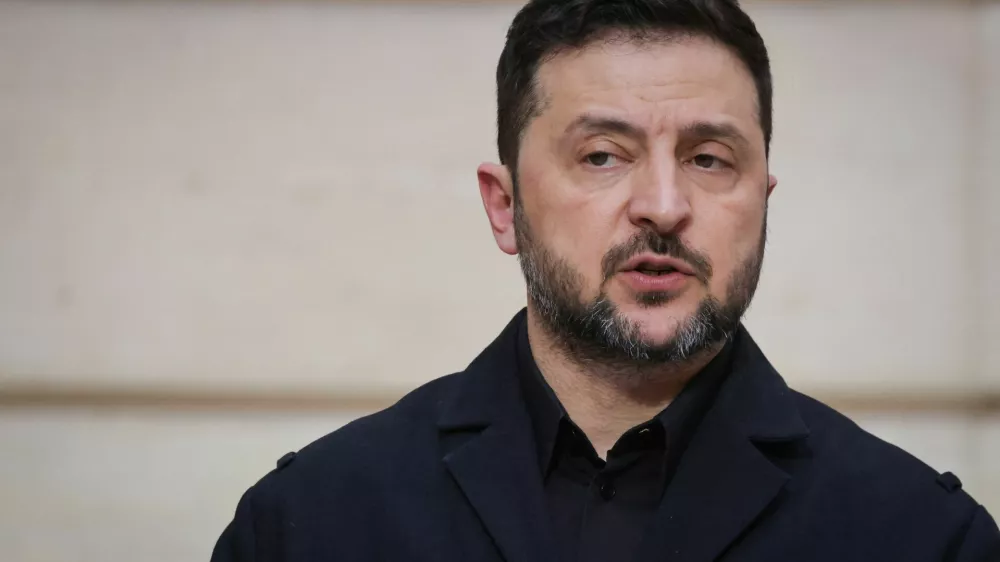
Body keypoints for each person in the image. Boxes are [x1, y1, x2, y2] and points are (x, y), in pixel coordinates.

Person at [211, 1, 1000, 560]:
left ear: (761, 200)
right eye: (601, 155)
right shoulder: (311, 523)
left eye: (709, 159)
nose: (663, 206)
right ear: (505, 205)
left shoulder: (920, 537)